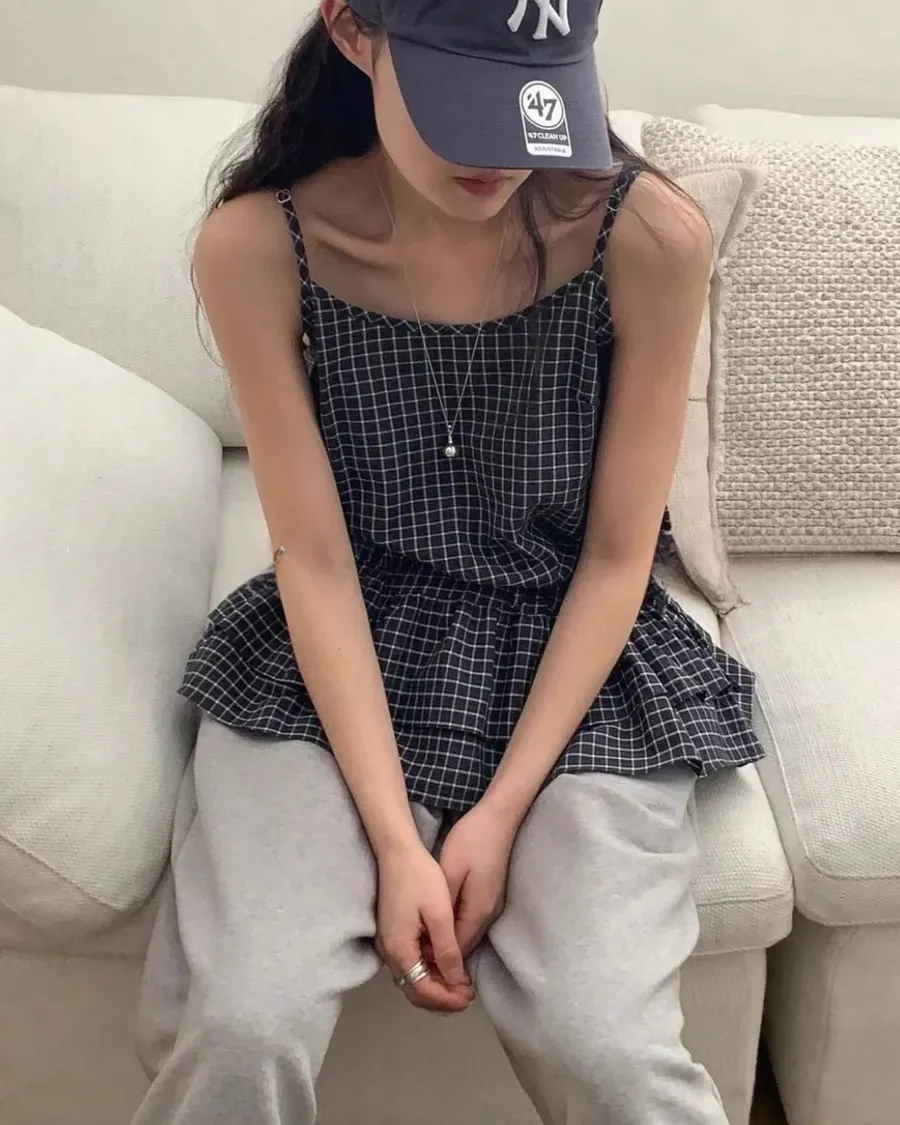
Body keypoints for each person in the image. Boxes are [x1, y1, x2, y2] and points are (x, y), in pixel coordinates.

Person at [131, 1, 764, 1122]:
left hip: (577, 651)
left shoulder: (646, 236)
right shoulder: (260, 245)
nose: (502, 154)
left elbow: (617, 558)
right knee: (244, 1018)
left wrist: (501, 813)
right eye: (464, 102)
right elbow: (316, 562)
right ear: (353, 31)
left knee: (604, 1040)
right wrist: (394, 841)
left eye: (534, 104)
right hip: (335, 643)